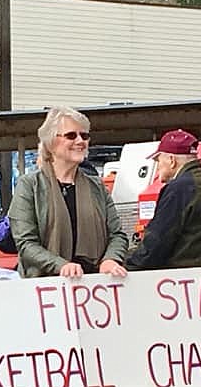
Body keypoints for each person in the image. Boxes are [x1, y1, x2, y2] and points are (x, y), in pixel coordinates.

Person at [9, 106, 128, 278]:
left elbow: (117, 235)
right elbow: (26, 243)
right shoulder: (29, 185)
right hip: (45, 287)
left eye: (85, 135)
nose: (80, 141)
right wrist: (61, 265)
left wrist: (110, 259)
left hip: (94, 285)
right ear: (50, 143)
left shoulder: (97, 187)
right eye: (71, 135)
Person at [126, 129, 201, 270]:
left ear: (171, 160)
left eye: (158, 160)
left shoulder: (179, 189)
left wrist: (127, 264)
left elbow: (157, 241)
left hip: (183, 275)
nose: (157, 168)